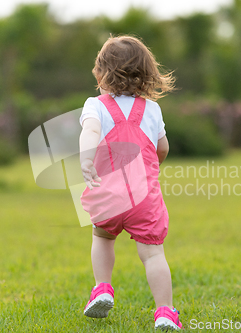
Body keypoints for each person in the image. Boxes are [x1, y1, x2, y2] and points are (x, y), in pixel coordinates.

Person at [78, 35, 182, 330]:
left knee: (102, 237)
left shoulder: (95, 105)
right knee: (152, 252)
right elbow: (162, 148)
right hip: (143, 196)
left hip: (107, 193)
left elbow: (91, 131)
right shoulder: (152, 110)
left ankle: (102, 288)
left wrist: (87, 159)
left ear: (101, 74)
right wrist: (154, 164)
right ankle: (164, 311)